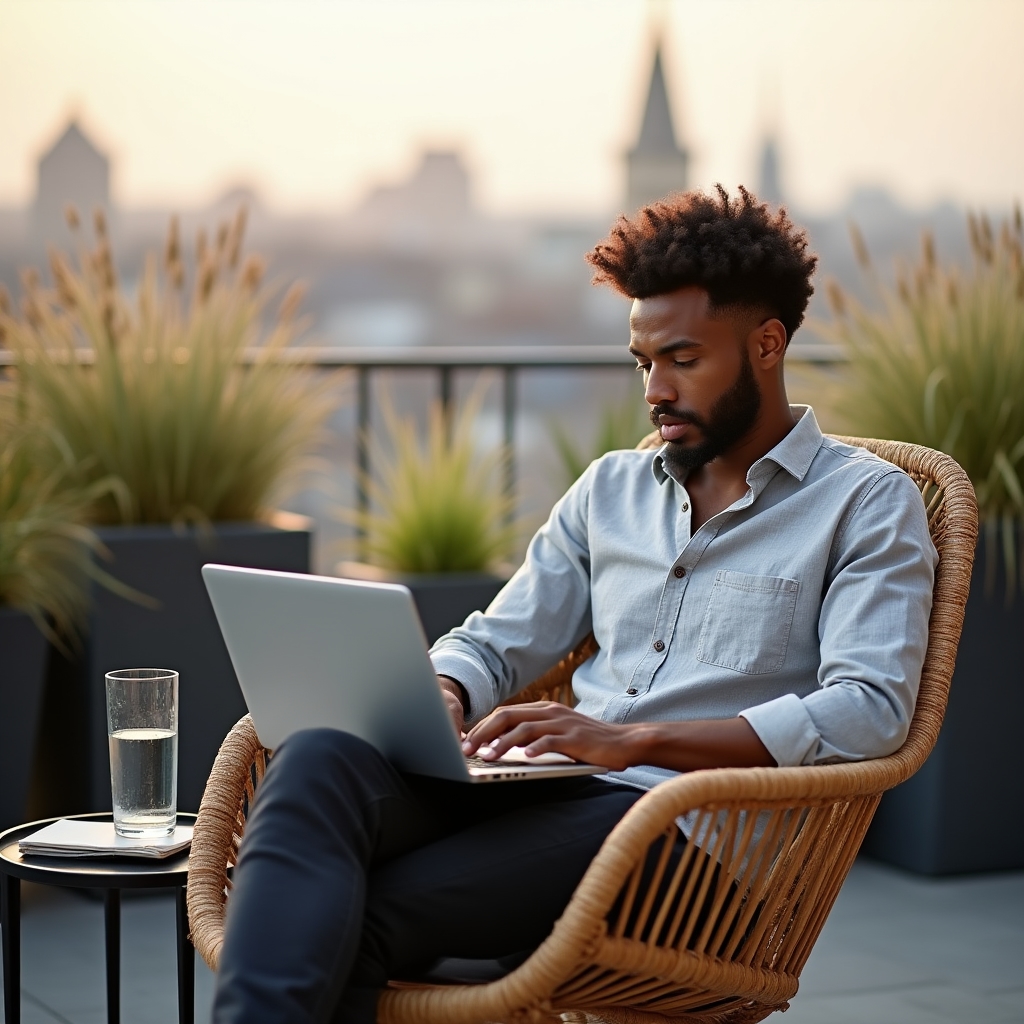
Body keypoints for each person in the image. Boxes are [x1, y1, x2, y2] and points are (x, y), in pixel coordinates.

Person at [213, 186, 936, 1024]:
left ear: (766, 344)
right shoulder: (611, 490)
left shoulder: (867, 504)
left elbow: (871, 709)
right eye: (643, 363)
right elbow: (499, 641)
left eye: (683, 358)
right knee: (321, 756)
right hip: (546, 793)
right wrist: (442, 693)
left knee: (346, 913)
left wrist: (630, 740)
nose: (655, 389)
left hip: (692, 849)